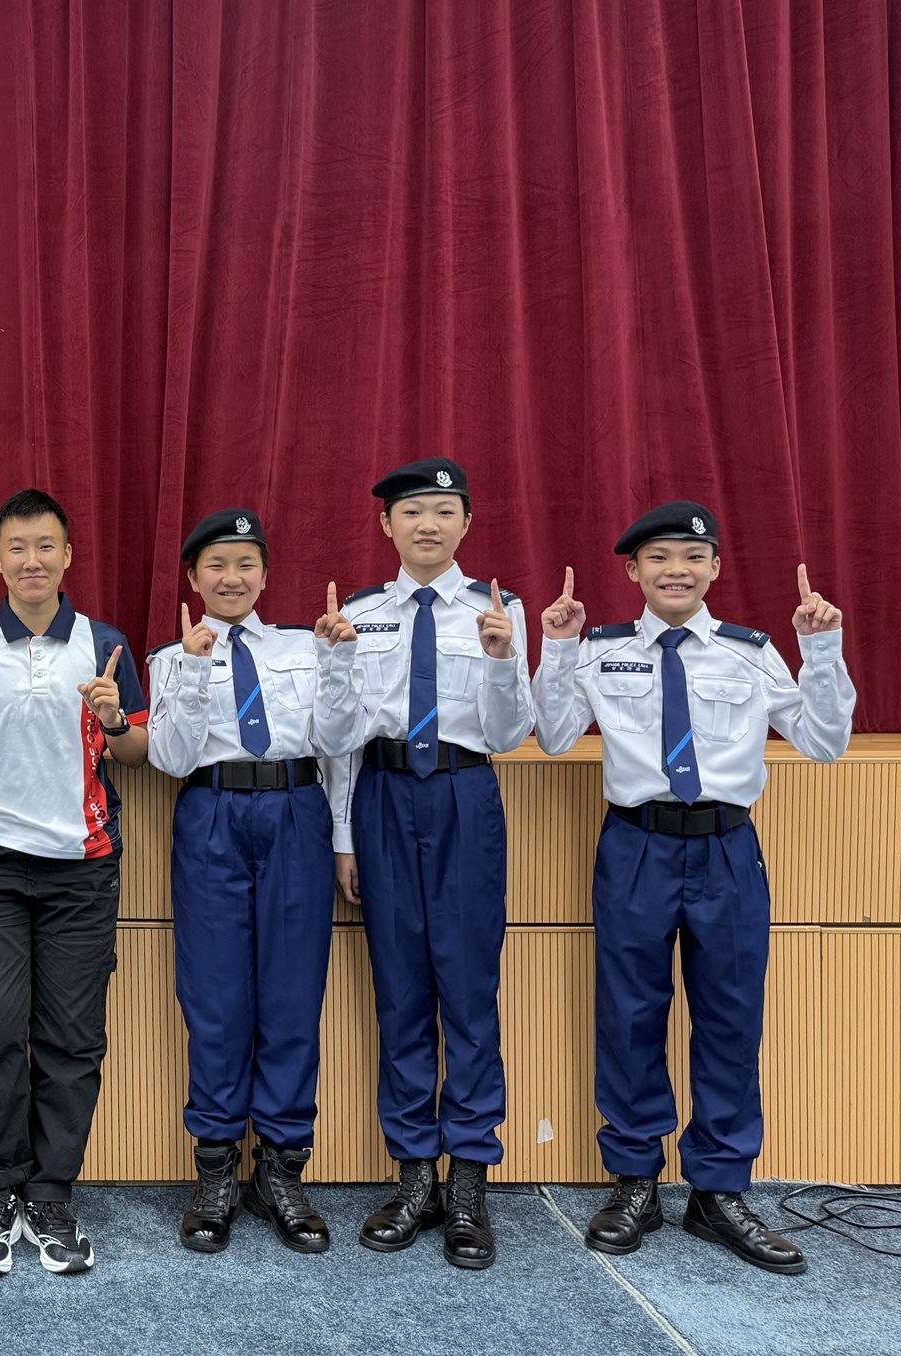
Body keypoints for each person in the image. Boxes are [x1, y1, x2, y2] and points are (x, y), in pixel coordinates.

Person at [532, 503, 853, 1275]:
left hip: (726, 850)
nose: (674, 569)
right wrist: (557, 647)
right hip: (635, 847)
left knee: (730, 1018)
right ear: (632, 571)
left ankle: (717, 1190)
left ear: (713, 568)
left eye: (690, 556)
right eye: (658, 557)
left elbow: (823, 741)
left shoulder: (750, 652)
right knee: (629, 1015)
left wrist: (821, 649)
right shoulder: (601, 651)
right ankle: (634, 1182)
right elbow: (552, 734)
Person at [0, 488, 149, 1277]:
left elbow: (135, 754)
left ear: (67, 556)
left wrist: (114, 720)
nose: (31, 560)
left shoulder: (103, 644)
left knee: (70, 1040)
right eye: (16, 547)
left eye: (45, 545)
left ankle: (49, 1194)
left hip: (81, 867)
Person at [332, 457, 531, 1271]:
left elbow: (509, 733)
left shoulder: (498, 610)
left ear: (465, 523)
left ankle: (470, 1180)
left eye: (443, 510)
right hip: (380, 798)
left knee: (468, 990)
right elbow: (340, 738)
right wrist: (342, 837)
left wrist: (500, 659)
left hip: (461, 795)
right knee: (400, 992)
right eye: (411, 511)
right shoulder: (357, 615)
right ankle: (414, 1173)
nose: (427, 524)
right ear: (386, 524)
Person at [146, 508, 360, 1255]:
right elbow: (171, 758)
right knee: (214, 998)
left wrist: (338, 664)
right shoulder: (171, 656)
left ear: (265, 574)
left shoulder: (307, 644)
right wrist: (192, 670)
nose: (231, 578)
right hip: (211, 812)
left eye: (245, 564)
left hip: (295, 811)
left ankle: (281, 1169)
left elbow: (338, 743)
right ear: (193, 578)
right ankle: (214, 1169)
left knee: (292, 995)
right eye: (215, 565)